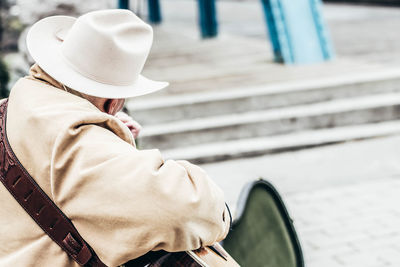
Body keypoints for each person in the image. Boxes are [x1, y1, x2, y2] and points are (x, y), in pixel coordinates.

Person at [0, 9, 230, 267]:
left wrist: (108, 139)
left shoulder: (13, 107)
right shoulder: (78, 139)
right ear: (112, 101)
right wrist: (222, 212)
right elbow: (185, 209)